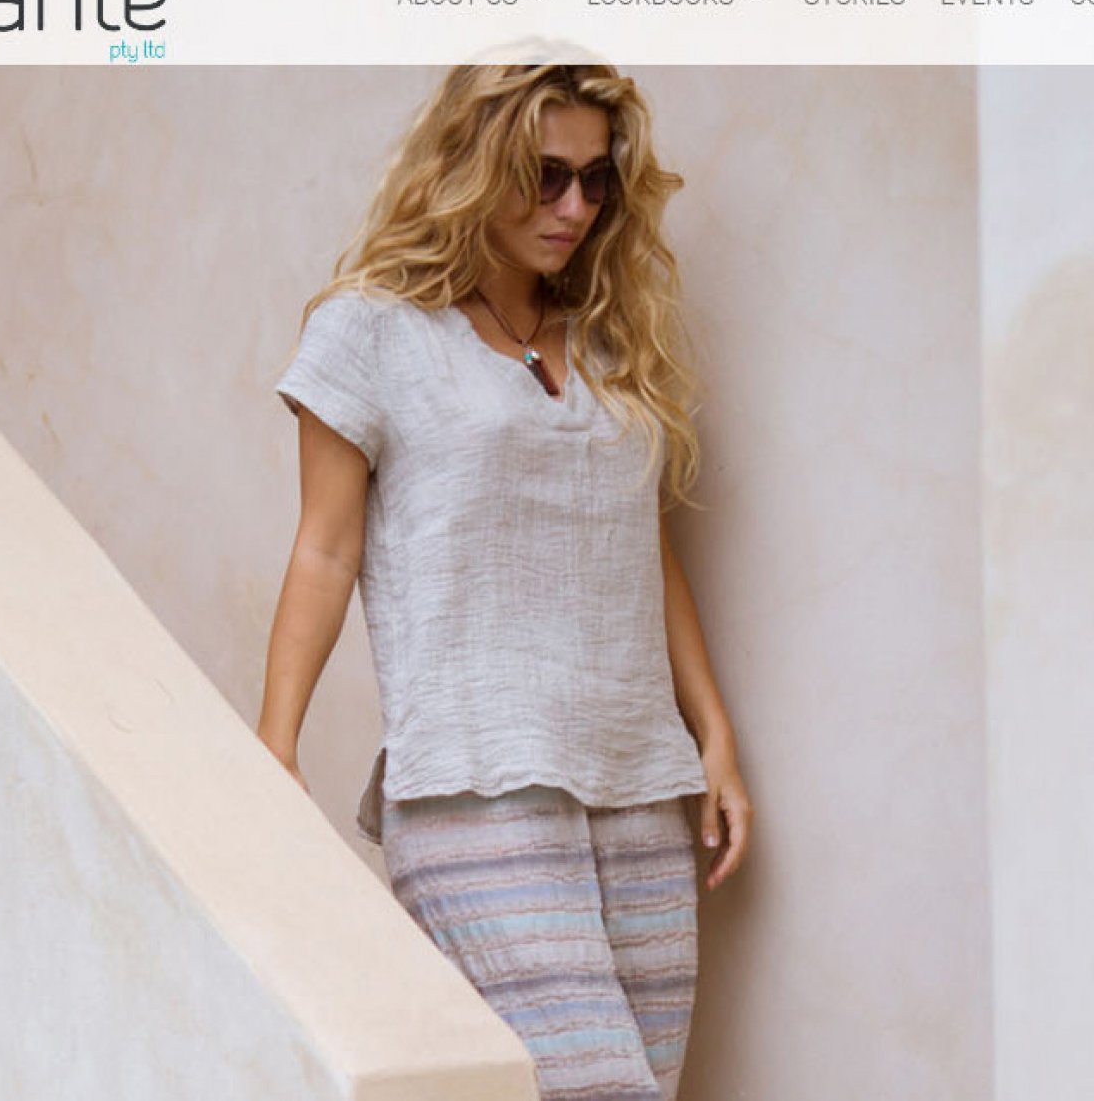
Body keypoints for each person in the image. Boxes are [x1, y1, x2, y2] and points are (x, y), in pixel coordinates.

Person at [256, 63, 752, 1101]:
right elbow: (326, 550)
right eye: (546, 175)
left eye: (595, 180)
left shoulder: (612, 341)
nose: (574, 207)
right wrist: (275, 745)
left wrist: (711, 733)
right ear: (475, 165)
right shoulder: (373, 330)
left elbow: (642, 548)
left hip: (638, 782)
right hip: (476, 777)